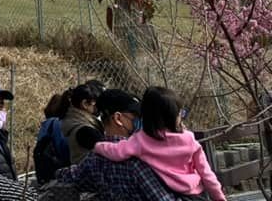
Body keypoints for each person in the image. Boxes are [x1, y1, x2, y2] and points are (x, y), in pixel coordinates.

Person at [51, 88, 191, 201]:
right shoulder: (139, 160)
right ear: (118, 118)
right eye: (135, 118)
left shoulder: (95, 159)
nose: (141, 123)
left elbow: (69, 176)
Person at [93, 86, 225, 201]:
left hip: (165, 190)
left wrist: (99, 146)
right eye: (181, 114)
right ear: (173, 116)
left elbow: (116, 152)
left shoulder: (140, 140)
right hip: (195, 194)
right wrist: (219, 197)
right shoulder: (189, 140)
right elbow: (207, 174)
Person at [59, 83, 102, 164]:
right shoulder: (85, 130)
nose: (98, 108)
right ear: (85, 104)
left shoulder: (73, 122)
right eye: (95, 104)